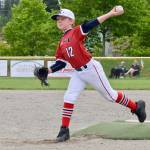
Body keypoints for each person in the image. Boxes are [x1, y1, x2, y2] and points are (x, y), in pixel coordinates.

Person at [48, 7, 146, 142]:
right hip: (78, 72)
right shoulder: (62, 42)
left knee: (110, 96)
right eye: (57, 19)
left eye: (62, 18)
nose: (59, 21)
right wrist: (48, 71)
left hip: (91, 69)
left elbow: (92, 24)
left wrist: (111, 13)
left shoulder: (76, 31)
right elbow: (61, 63)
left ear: (71, 21)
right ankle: (64, 130)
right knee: (69, 97)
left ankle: (136, 106)